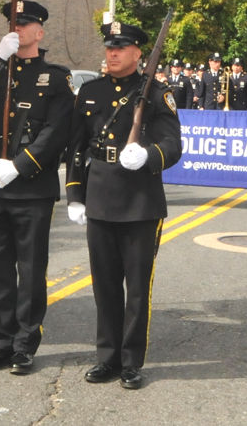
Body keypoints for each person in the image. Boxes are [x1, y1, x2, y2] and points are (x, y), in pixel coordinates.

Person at [66, 20, 182, 390]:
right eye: (109, 47)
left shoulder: (155, 93)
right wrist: (74, 195)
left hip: (139, 203)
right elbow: (76, 149)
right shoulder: (90, 92)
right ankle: (107, 357)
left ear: (137, 54)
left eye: (120, 48)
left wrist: (148, 155)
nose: (112, 54)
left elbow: (174, 145)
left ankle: (131, 361)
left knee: (136, 287)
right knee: (104, 286)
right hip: (99, 198)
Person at [0, 0, 74, 375]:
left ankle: (25, 342)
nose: (17, 29)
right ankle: (0, 341)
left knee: (29, 270)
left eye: (24, 24)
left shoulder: (56, 78)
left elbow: (55, 133)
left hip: (30, 187)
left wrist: (20, 166)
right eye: (12, 23)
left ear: (39, 32)